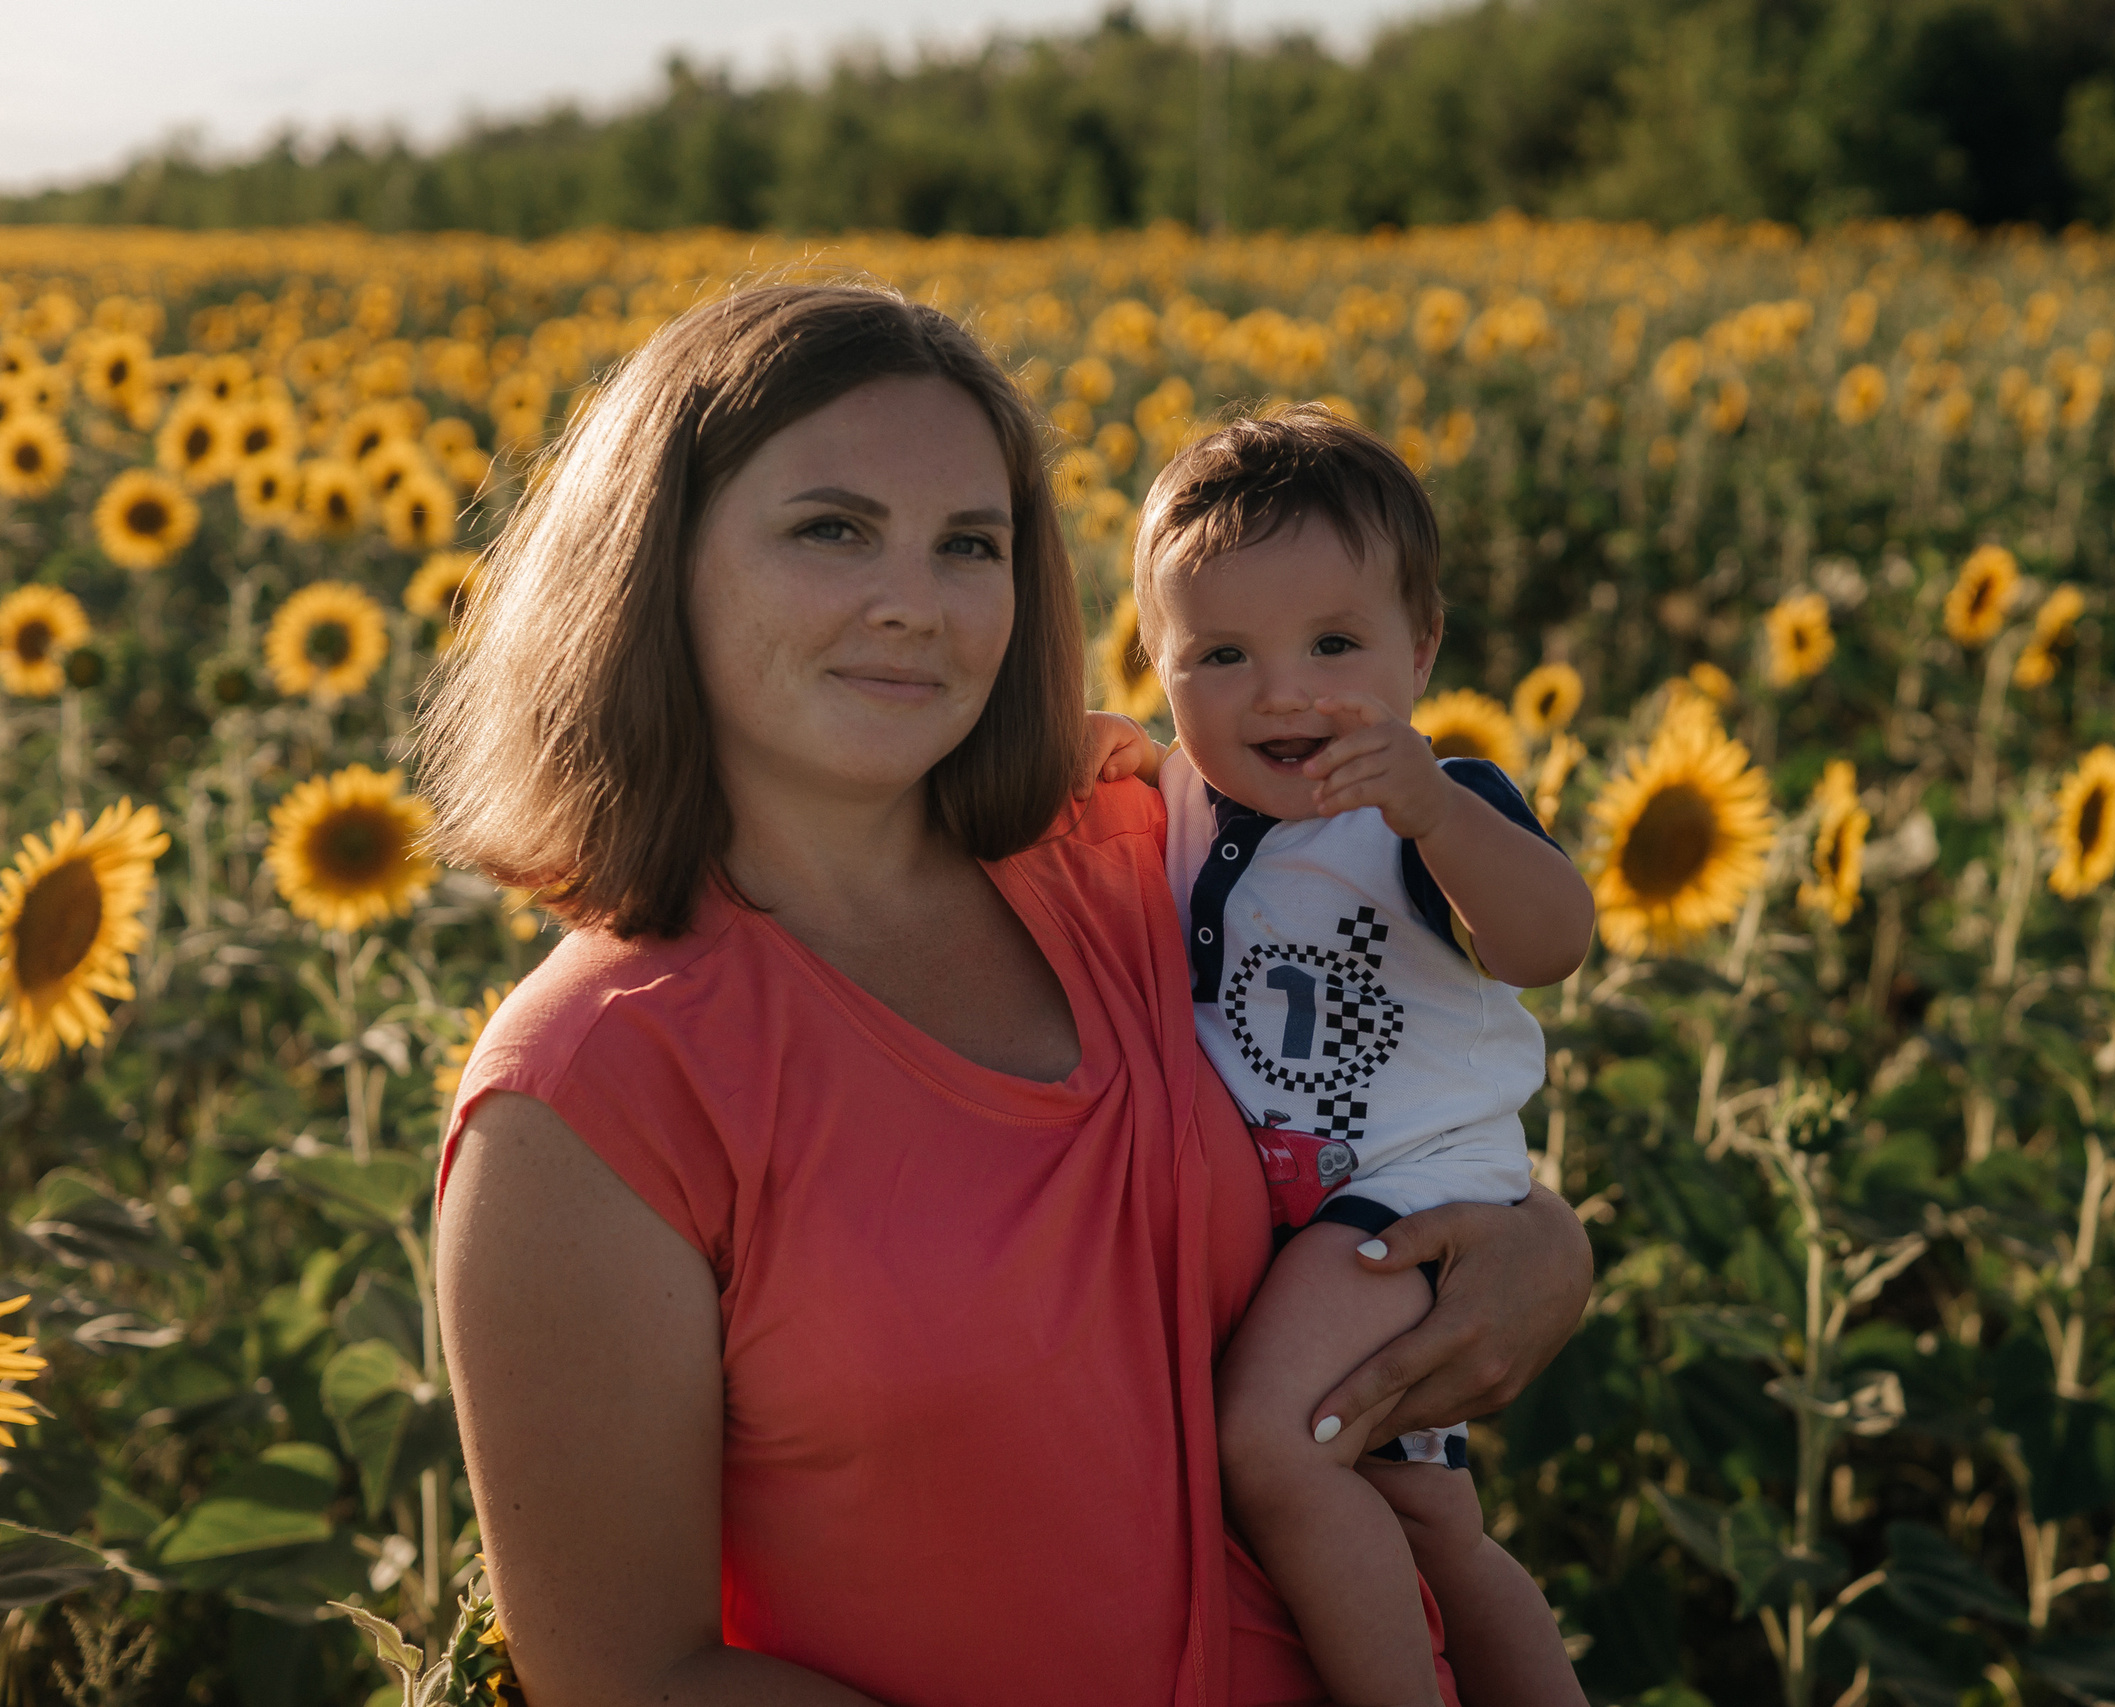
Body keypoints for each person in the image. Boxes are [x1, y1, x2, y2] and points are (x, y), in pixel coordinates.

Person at [418, 282, 1594, 1707]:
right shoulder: (591, 1091)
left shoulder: (1133, 860)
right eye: (831, 529)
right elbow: (632, 1679)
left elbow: (1382, 1072)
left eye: (969, 544)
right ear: (652, 566)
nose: (912, 601)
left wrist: (1535, 1241)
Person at [1088, 408, 1591, 1707]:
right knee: (1429, 1524)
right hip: (1296, 1214)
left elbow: (1551, 941)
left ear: (1419, 649)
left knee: (1273, 1446)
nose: (1282, 691)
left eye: (1333, 644)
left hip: (1408, 1198)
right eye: (1220, 654)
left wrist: (1431, 812)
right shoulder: (1176, 806)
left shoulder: (1421, 807)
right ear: (1155, 665)